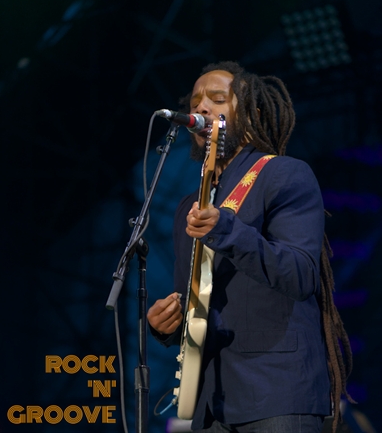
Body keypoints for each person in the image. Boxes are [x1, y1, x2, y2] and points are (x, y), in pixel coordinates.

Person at [147, 61, 353, 433]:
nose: (201, 109)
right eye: (195, 102)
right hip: (212, 403)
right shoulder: (188, 207)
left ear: (253, 113)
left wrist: (227, 229)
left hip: (277, 392)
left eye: (217, 99)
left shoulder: (282, 174)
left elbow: (301, 273)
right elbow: (194, 300)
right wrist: (167, 326)